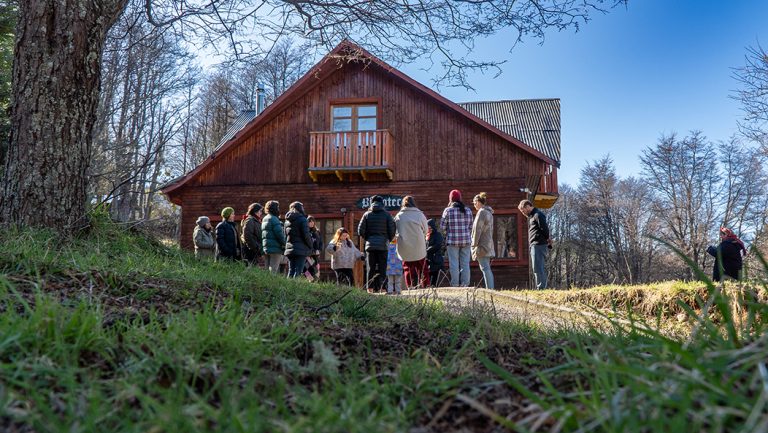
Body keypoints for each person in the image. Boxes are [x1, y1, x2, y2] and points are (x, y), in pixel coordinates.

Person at [357, 195, 396, 293]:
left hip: (370, 245)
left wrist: (368, 238)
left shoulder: (366, 214)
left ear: (372, 203)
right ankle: (383, 288)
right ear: (382, 203)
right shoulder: (387, 215)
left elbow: (360, 230)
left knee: (371, 268)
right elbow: (392, 230)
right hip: (383, 245)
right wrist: (387, 239)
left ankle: (370, 288)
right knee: (383, 268)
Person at [394, 195, 429, 289]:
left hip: (404, 245)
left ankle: (411, 286)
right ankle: (425, 286)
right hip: (418, 244)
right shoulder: (420, 214)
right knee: (422, 267)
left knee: (408, 268)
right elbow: (426, 230)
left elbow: (395, 231)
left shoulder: (398, 216)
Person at [440, 189, 473, 287]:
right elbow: (471, 226)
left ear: (451, 199)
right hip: (466, 241)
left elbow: (442, 227)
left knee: (454, 263)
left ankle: (455, 284)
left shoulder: (448, 210)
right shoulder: (468, 210)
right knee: (465, 263)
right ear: (460, 198)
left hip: (452, 241)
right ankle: (465, 284)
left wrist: (447, 234)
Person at [518, 199, 551, 289]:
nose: (522, 212)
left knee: (538, 267)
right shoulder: (533, 216)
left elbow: (545, 229)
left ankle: (541, 288)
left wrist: (547, 239)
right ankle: (540, 287)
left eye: (522, 210)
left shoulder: (538, 215)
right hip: (535, 245)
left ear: (527, 206)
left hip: (539, 244)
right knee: (536, 267)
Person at [471, 192, 495, 289]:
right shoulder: (489, 213)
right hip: (488, 244)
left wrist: (474, 244)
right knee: (486, 267)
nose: (474, 205)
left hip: (482, 245)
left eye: (474, 203)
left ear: (478, 202)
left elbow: (478, 229)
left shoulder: (481, 212)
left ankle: (490, 289)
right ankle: (490, 288)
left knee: (485, 268)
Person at [284, 201, 313, 278]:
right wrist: (310, 245)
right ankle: (294, 288)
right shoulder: (302, 219)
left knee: (291, 270)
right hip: (301, 249)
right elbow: (306, 235)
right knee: (298, 271)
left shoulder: (287, 220)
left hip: (289, 249)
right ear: (300, 208)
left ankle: (287, 288)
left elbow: (285, 235)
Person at [261, 200, 286, 273]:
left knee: (267, 270)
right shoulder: (274, 219)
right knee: (273, 270)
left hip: (267, 247)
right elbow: (279, 234)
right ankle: (272, 284)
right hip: (275, 248)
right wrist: (284, 244)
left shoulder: (265, 218)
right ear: (275, 208)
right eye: (278, 207)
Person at [241, 202, 264, 267]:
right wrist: (255, 247)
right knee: (250, 269)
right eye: (260, 211)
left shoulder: (256, 220)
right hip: (250, 251)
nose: (261, 213)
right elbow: (247, 236)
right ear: (255, 211)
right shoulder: (250, 220)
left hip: (255, 250)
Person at [305, 216, 324, 281]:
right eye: (310, 221)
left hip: (315, 254)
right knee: (307, 270)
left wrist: (319, 250)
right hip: (307, 254)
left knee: (316, 270)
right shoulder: (305, 231)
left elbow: (321, 242)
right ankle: (309, 282)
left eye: (313, 221)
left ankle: (315, 283)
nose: (311, 223)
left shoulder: (317, 232)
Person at [426, 218, 445, 287]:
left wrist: (427, 250)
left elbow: (437, 245)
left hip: (436, 258)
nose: (429, 230)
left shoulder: (437, 235)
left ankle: (434, 286)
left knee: (435, 275)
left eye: (430, 228)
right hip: (428, 259)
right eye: (427, 228)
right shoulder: (426, 235)